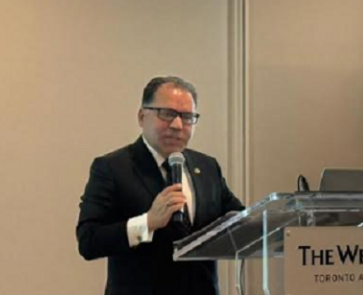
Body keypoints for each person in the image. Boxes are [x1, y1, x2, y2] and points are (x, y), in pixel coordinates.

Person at [77, 76, 244, 295]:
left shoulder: (207, 167)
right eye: (167, 114)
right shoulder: (112, 168)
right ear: (141, 116)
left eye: (187, 117)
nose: (177, 125)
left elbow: (240, 217)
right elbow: (89, 241)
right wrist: (147, 222)